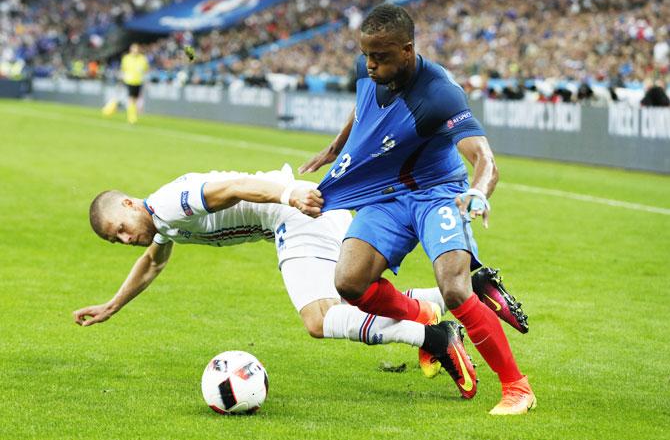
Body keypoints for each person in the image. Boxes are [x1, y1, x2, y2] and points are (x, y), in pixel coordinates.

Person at [299, 4, 535, 415]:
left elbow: (485, 158)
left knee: (454, 287)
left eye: (381, 57)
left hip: (438, 193)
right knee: (350, 284)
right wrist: (336, 148)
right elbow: (362, 107)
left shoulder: (440, 94)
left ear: (407, 50)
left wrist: (478, 193)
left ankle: (517, 388)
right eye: (367, 55)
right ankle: (423, 316)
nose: (370, 64)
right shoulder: (368, 67)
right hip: (388, 194)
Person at [73, 164, 493, 395]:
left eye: (121, 227)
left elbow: (234, 186)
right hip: (299, 209)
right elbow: (153, 263)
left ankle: (435, 338)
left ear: (128, 202)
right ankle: (466, 292)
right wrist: (112, 305)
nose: (126, 238)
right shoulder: (161, 224)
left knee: (319, 318)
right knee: (349, 303)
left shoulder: (168, 204)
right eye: (117, 240)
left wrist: (286, 195)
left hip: (293, 211)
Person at [102, 43, 149, 123]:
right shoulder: (126, 58)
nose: (135, 50)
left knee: (135, 99)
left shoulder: (142, 59)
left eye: (136, 49)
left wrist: (145, 80)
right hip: (129, 81)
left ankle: (128, 113)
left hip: (138, 81)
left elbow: (146, 70)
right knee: (131, 99)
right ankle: (132, 117)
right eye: (134, 49)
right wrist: (121, 79)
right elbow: (123, 70)